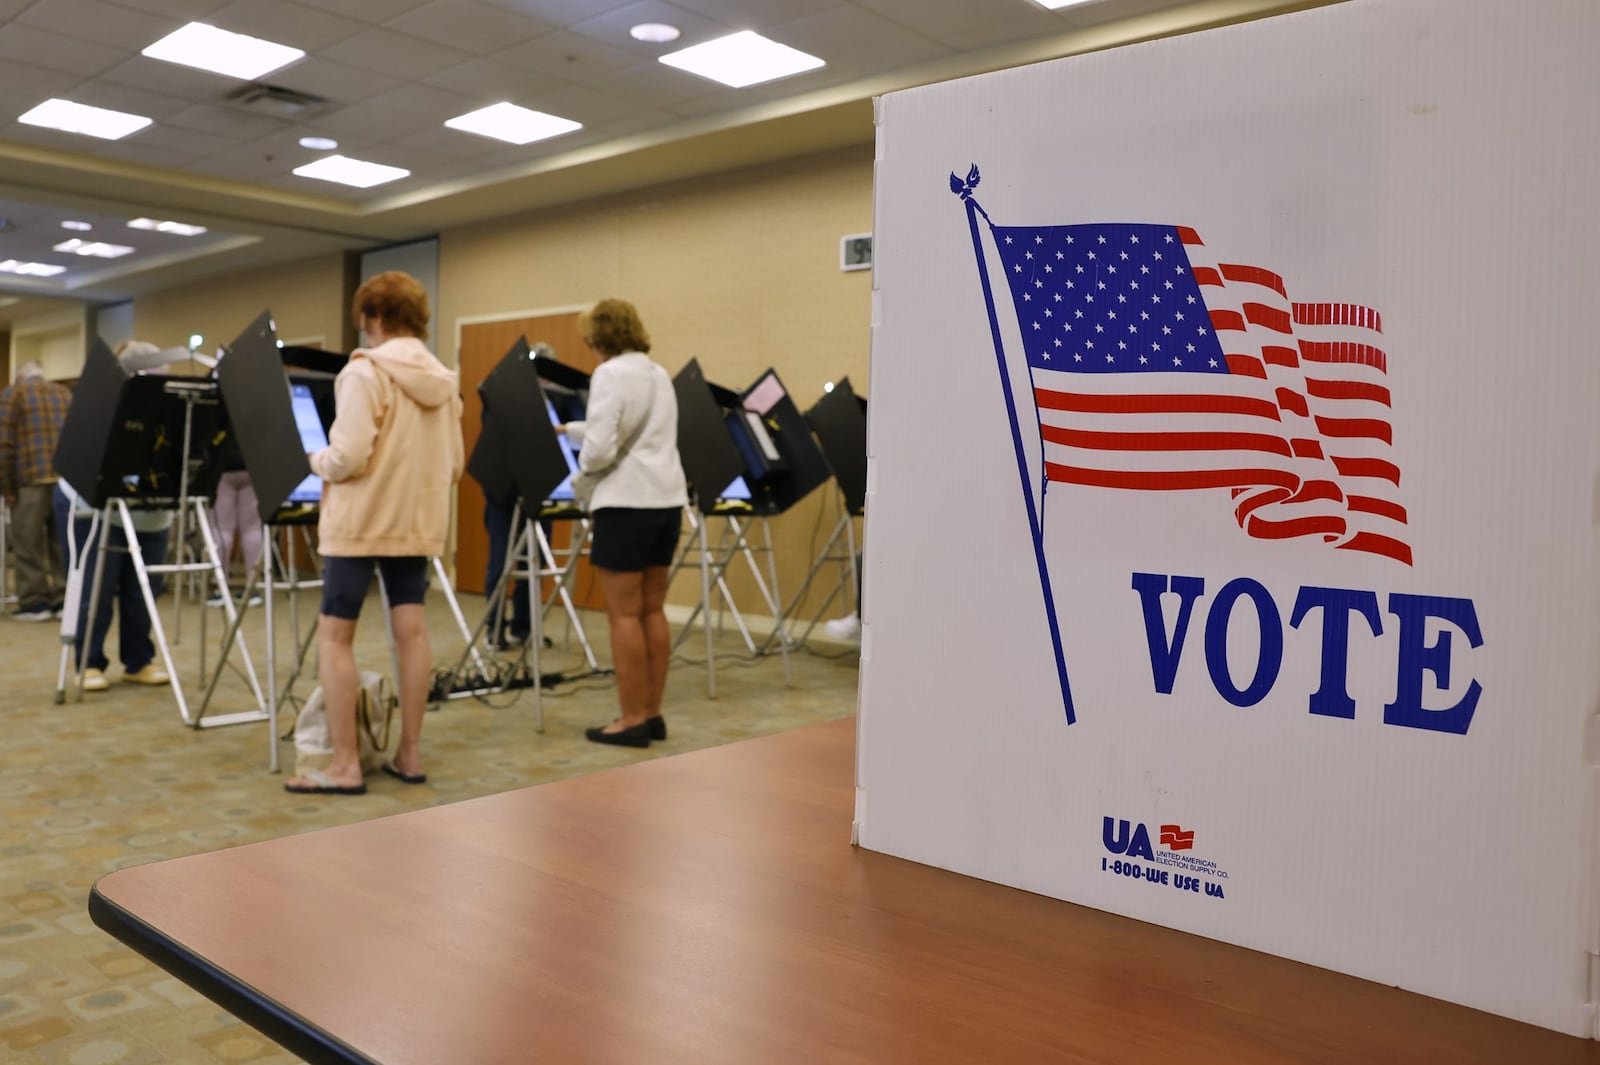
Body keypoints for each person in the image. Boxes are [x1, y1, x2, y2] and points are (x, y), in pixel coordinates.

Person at [284, 271, 463, 795]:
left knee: (335, 637)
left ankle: (344, 765)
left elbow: (347, 457)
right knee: (412, 634)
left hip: (360, 524)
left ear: (376, 317)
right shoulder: (444, 381)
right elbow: (454, 466)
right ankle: (409, 754)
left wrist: (309, 458)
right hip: (416, 523)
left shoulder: (364, 372)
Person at [560, 298, 687, 748]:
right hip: (666, 503)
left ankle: (630, 719)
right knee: (652, 609)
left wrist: (581, 474)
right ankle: (652, 714)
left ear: (599, 336)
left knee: (624, 614)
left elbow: (599, 452)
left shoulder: (608, 374)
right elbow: (641, 430)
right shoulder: (657, 374)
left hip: (624, 505)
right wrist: (575, 429)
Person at [54, 342, 173, 691]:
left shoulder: (172, 408)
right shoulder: (102, 405)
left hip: (150, 514)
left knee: (144, 591)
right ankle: (88, 662)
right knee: (96, 589)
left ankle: (139, 661)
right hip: (92, 507)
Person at [1, 361, 71, 621]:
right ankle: (65, 598)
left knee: (27, 544)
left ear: (20, 377)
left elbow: (5, 443)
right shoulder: (64, 393)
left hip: (30, 480)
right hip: (65, 479)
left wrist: (7, 487)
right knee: (61, 542)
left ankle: (35, 602)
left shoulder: (14, 394)